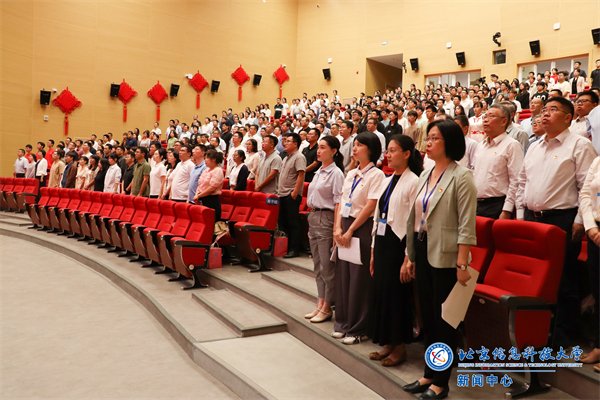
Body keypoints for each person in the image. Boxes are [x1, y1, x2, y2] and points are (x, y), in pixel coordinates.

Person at [403, 119, 477, 400]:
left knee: (445, 323)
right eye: (428, 137)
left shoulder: (462, 176)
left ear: (450, 142)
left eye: (434, 138)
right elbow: (416, 219)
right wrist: (410, 255)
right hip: (423, 250)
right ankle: (427, 375)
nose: (428, 143)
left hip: (447, 258)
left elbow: (466, 226)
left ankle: (441, 383)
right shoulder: (425, 174)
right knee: (429, 320)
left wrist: (461, 264)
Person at [516, 96, 598, 348]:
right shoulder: (534, 145)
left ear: (568, 117)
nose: (544, 114)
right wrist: (520, 216)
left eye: (553, 110)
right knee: (534, 279)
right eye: (544, 109)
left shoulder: (580, 145)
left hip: (562, 219)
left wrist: (578, 220)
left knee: (563, 279)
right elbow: (522, 182)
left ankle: (563, 336)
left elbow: (586, 188)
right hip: (532, 218)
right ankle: (536, 332)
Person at [366, 134, 422, 367]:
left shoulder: (414, 181)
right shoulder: (389, 179)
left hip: (399, 245)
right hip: (382, 244)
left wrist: (409, 257)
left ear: (407, 153)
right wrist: (372, 252)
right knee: (382, 295)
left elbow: (415, 222)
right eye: (387, 151)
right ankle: (387, 343)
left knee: (396, 297)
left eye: (393, 150)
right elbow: (378, 215)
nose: (388, 155)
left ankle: (399, 347)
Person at [332, 132, 385, 345]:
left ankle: (358, 327)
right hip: (343, 225)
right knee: (343, 276)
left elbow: (370, 206)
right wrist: (337, 227)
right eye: (354, 145)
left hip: (360, 228)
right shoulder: (351, 173)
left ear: (370, 149)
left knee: (359, 279)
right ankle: (343, 323)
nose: (354, 148)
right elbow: (342, 201)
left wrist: (350, 230)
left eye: (360, 145)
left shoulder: (377, 175)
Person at [304, 136, 345, 324]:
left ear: (334, 151)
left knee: (327, 268)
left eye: (322, 148)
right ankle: (320, 303)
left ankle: (328, 306)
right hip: (313, 217)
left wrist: (337, 228)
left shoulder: (336, 173)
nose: (318, 151)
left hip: (326, 218)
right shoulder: (319, 171)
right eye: (318, 148)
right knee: (318, 265)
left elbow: (338, 203)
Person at [472, 104, 523, 219]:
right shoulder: (480, 145)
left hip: (497, 205)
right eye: (485, 117)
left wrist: (507, 209)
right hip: (476, 204)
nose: (485, 120)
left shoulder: (512, 145)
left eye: (491, 116)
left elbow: (516, 180)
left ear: (504, 121)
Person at [579, 155, 600, 372]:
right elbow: (586, 194)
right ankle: (599, 346)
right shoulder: (598, 161)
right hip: (596, 231)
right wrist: (590, 226)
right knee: (598, 291)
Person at [277, 133, 306, 258]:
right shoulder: (286, 157)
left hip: (291, 194)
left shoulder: (299, 157)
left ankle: (294, 249)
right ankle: (285, 247)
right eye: (285, 140)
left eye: (288, 141)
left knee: (293, 223)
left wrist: (295, 192)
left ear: (295, 144)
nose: (285, 143)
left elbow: (301, 174)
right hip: (282, 194)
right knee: (283, 222)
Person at [193, 149, 224, 221]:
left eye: (207, 158)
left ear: (214, 160)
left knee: (210, 222)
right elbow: (200, 184)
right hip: (201, 199)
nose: (205, 160)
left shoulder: (218, 170)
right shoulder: (206, 170)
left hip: (211, 200)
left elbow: (212, 188)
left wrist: (199, 196)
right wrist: (196, 195)